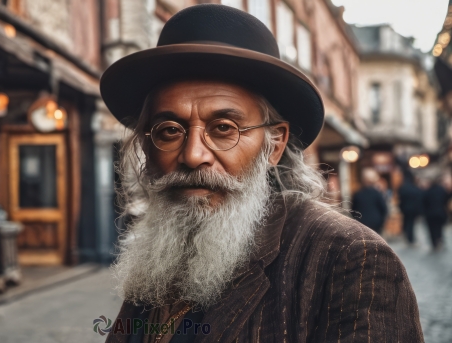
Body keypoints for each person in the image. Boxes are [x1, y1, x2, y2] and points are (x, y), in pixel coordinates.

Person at [100, 5, 422, 342]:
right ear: (147, 147)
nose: (193, 155)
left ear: (274, 144)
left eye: (224, 128)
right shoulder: (160, 256)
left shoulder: (349, 258)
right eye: (169, 130)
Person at [351, 168, 389, 234]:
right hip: (376, 223)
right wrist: (381, 221)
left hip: (361, 223)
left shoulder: (358, 194)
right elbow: (384, 209)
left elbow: (353, 209)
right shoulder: (377, 193)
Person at [423, 177, 450, 251]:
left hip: (430, 214)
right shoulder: (442, 190)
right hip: (440, 212)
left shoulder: (428, 191)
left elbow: (424, 201)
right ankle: (439, 239)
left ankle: (434, 242)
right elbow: (447, 198)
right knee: (439, 228)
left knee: (432, 229)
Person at [398, 176, 423, 244]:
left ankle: (408, 236)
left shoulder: (403, 188)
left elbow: (400, 199)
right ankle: (410, 238)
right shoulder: (415, 188)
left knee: (407, 223)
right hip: (413, 210)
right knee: (411, 224)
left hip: (405, 209)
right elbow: (419, 199)